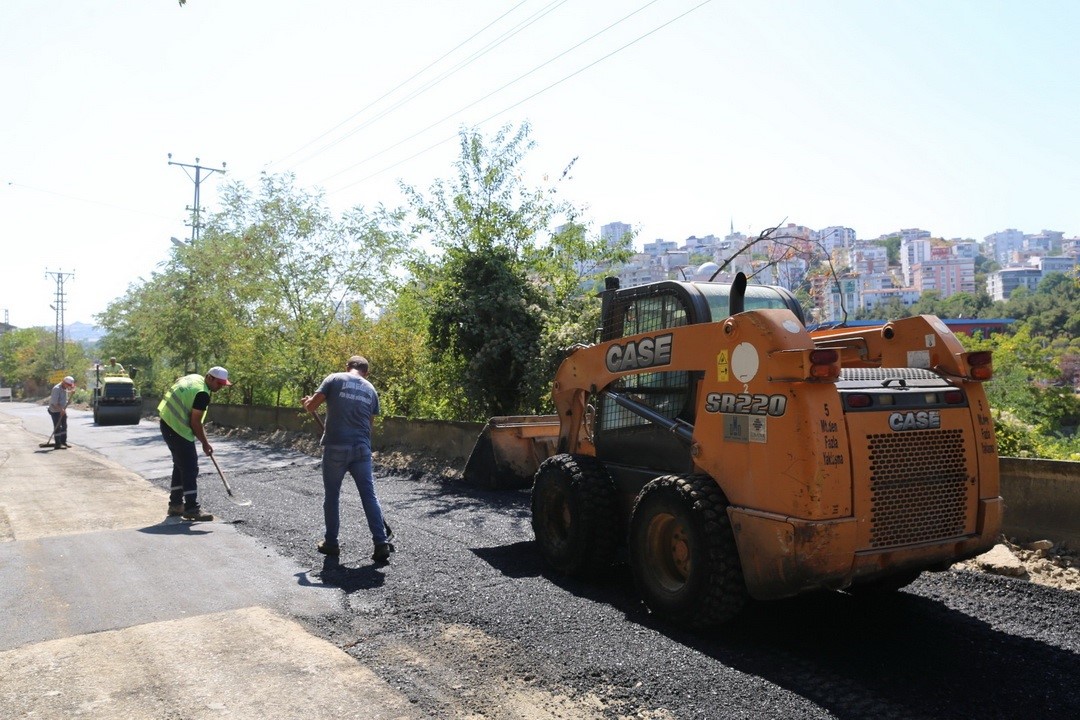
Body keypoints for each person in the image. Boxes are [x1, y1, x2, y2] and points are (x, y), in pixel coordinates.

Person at [302, 355, 393, 564]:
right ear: (366, 372)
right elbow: (369, 426)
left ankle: (331, 543)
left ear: (347, 367)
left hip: (335, 448)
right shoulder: (371, 389)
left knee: (332, 496)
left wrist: (308, 402)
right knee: (369, 496)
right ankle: (381, 543)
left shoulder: (334, 379)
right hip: (362, 449)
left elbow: (311, 407)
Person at [157, 366, 232, 521]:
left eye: (223, 384)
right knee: (190, 467)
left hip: (166, 422)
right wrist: (205, 443)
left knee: (180, 465)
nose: (220, 387)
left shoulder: (194, 378)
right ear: (209, 378)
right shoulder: (202, 394)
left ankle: (176, 505)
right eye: (219, 384)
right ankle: (191, 508)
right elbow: (195, 422)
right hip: (177, 428)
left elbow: (178, 381)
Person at [47, 376, 76, 450]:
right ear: (64, 382)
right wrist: (61, 410)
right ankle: (58, 444)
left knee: (64, 426)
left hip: (62, 409)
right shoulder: (56, 389)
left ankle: (63, 442)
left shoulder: (64, 388)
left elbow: (65, 395)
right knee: (58, 427)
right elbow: (54, 403)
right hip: (55, 410)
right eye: (68, 385)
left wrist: (71, 393)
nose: (69, 387)